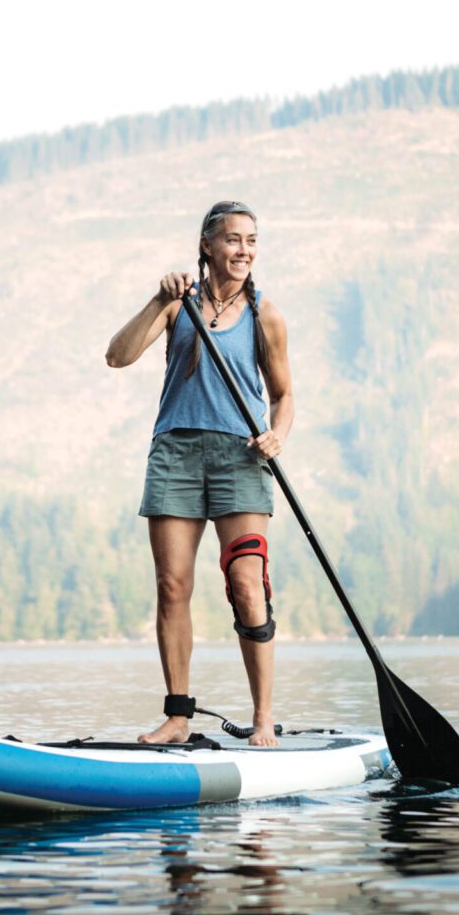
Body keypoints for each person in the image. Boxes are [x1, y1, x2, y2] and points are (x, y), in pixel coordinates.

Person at [105, 201, 294, 747]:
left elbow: (283, 396)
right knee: (172, 586)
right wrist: (159, 299)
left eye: (252, 240)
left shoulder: (266, 315)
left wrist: (277, 433)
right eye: (233, 240)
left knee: (246, 585)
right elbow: (117, 356)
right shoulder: (177, 305)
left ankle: (262, 720)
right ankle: (178, 717)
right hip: (176, 455)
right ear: (208, 245)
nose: (244, 250)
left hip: (241, 457)